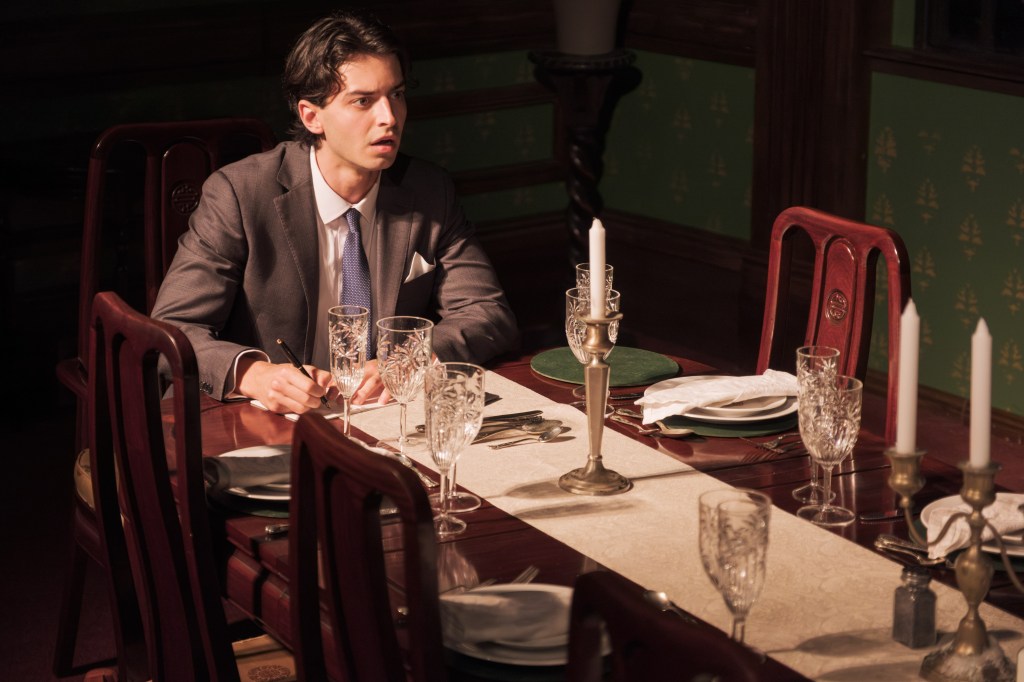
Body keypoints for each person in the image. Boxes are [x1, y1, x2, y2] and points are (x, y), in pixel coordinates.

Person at [151, 10, 519, 414]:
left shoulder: (429, 191)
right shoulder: (240, 193)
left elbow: (487, 313)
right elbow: (171, 331)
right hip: (264, 418)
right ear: (312, 116)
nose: (389, 117)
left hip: (382, 415)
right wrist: (254, 375)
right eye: (363, 101)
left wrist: (411, 356)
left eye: (396, 94)